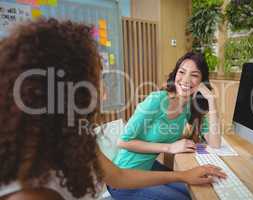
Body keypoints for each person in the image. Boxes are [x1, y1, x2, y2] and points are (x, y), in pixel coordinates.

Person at [0, 18, 226, 200]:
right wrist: (171, 151)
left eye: (194, 75)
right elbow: (123, 148)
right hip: (127, 182)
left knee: (194, 190)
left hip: (131, 175)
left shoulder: (74, 134)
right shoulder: (32, 193)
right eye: (97, 80)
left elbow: (116, 175)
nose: (105, 93)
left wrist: (184, 174)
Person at [110, 52, 222, 199]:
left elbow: (215, 143)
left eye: (194, 75)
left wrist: (211, 100)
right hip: (123, 178)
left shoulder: (189, 107)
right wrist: (169, 147)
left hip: (148, 170)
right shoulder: (156, 100)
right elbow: (122, 142)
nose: (186, 79)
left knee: (197, 190)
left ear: (202, 82)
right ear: (175, 75)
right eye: (182, 72)